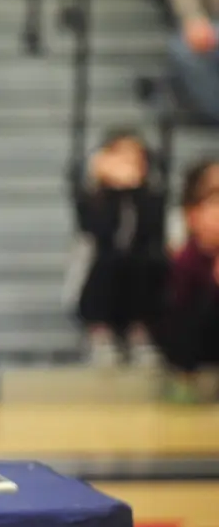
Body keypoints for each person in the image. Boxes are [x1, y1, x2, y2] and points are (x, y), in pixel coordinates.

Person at [68, 129, 167, 367]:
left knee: (145, 262)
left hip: (138, 275)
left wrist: (134, 192)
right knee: (108, 261)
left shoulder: (151, 198)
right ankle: (100, 333)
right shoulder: (93, 198)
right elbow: (99, 231)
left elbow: (151, 232)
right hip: (100, 274)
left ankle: (139, 332)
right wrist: (113, 192)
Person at [156, 158, 219, 403]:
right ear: (192, 213)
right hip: (191, 342)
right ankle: (183, 378)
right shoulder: (185, 256)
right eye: (213, 202)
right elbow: (177, 307)